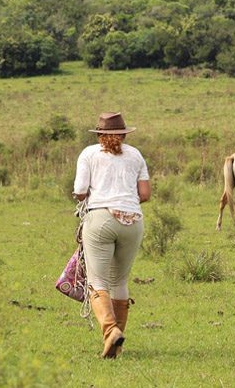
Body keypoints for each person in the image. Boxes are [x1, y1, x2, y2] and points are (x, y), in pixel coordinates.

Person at [73, 112, 151, 359]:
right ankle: (115, 345)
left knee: (97, 281)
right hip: (133, 221)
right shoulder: (135, 155)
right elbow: (146, 194)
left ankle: (110, 331)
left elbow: (80, 191)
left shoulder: (89, 154)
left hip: (101, 218)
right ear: (124, 134)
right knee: (120, 282)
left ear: (99, 134)